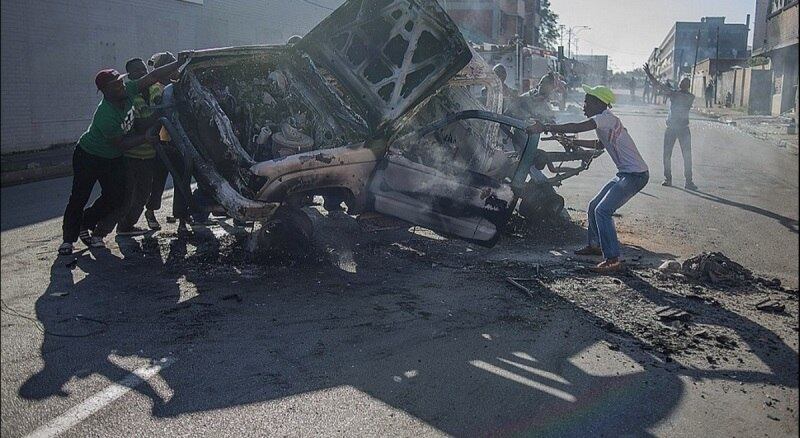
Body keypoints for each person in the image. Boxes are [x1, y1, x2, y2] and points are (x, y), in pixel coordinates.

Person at [58, 55, 185, 255]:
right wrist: (145, 137)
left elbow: (153, 76)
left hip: (113, 157)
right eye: (116, 85)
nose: (121, 86)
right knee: (79, 196)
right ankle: (68, 241)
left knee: (116, 196)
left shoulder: (128, 91)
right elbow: (122, 143)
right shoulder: (106, 114)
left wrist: (179, 62)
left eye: (121, 82)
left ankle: (86, 221)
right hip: (89, 155)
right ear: (105, 91)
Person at [527, 85, 649, 273]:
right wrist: (573, 142)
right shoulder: (607, 120)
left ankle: (612, 259)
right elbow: (600, 144)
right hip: (626, 174)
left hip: (635, 176)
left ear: (598, 103)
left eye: (586, 102)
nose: (583, 106)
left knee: (603, 210)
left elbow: (577, 127)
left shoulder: (603, 118)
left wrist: (546, 127)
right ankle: (595, 245)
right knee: (594, 206)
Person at [95, 57, 166, 237]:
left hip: (148, 154)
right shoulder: (128, 97)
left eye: (143, 70)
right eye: (136, 71)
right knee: (125, 197)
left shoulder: (152, 90)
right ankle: (100, 231)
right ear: (130, 76)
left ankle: (126, 226)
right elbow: (141, 124)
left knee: (143, 194)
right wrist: (162, 110)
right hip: (131, 154)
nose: (142, 73)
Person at [644, 64, 697, 190]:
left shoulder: (675, 95)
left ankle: (669, 179)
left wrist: (649, 74)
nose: (680, 84)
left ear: (683, 85)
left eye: (682, 82)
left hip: (674, 128)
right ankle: (688, 181)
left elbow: (658, 86)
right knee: (686, 156)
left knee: (668, 154)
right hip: (683, 128)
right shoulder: (690, 96)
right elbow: (660, 86)